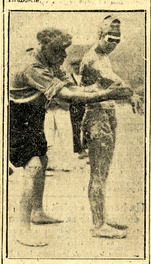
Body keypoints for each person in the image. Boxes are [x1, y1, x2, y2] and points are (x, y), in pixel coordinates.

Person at [10, 27, 133, 246]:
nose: (64, 56)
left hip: (35, 114)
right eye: (59, 51)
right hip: (17, 117)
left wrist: (98, 88)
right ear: (45, 48)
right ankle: (22, 230)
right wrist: (106, 94)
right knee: (33, 167)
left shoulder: (51, 61)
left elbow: (74, 89)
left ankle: (37, 211)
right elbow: (68, 97)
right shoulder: (32, 67)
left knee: (44, 159)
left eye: (64, 51)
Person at [80, 15, 143, 238]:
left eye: (118, 39)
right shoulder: (92, 58)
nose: (114, 43)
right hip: (96, 116)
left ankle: (103, 218)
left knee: (103, 172)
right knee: (98, 172)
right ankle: (98, 225)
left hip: (107, 114)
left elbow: (114, 79)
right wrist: (133, 94)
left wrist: (131, 94)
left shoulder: (104, 55)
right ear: (100, 35)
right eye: (110, 38)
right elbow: (112, 83)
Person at [69, 57, 87, 158]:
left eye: (78, 65)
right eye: (74, 66)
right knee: (75, 127)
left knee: (86, 125)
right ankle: (79, 150)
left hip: (86, 103)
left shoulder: (86, 77)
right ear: (71, 67)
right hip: (74, 105)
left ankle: (86, 146)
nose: (76, 68)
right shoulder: (69, 78)